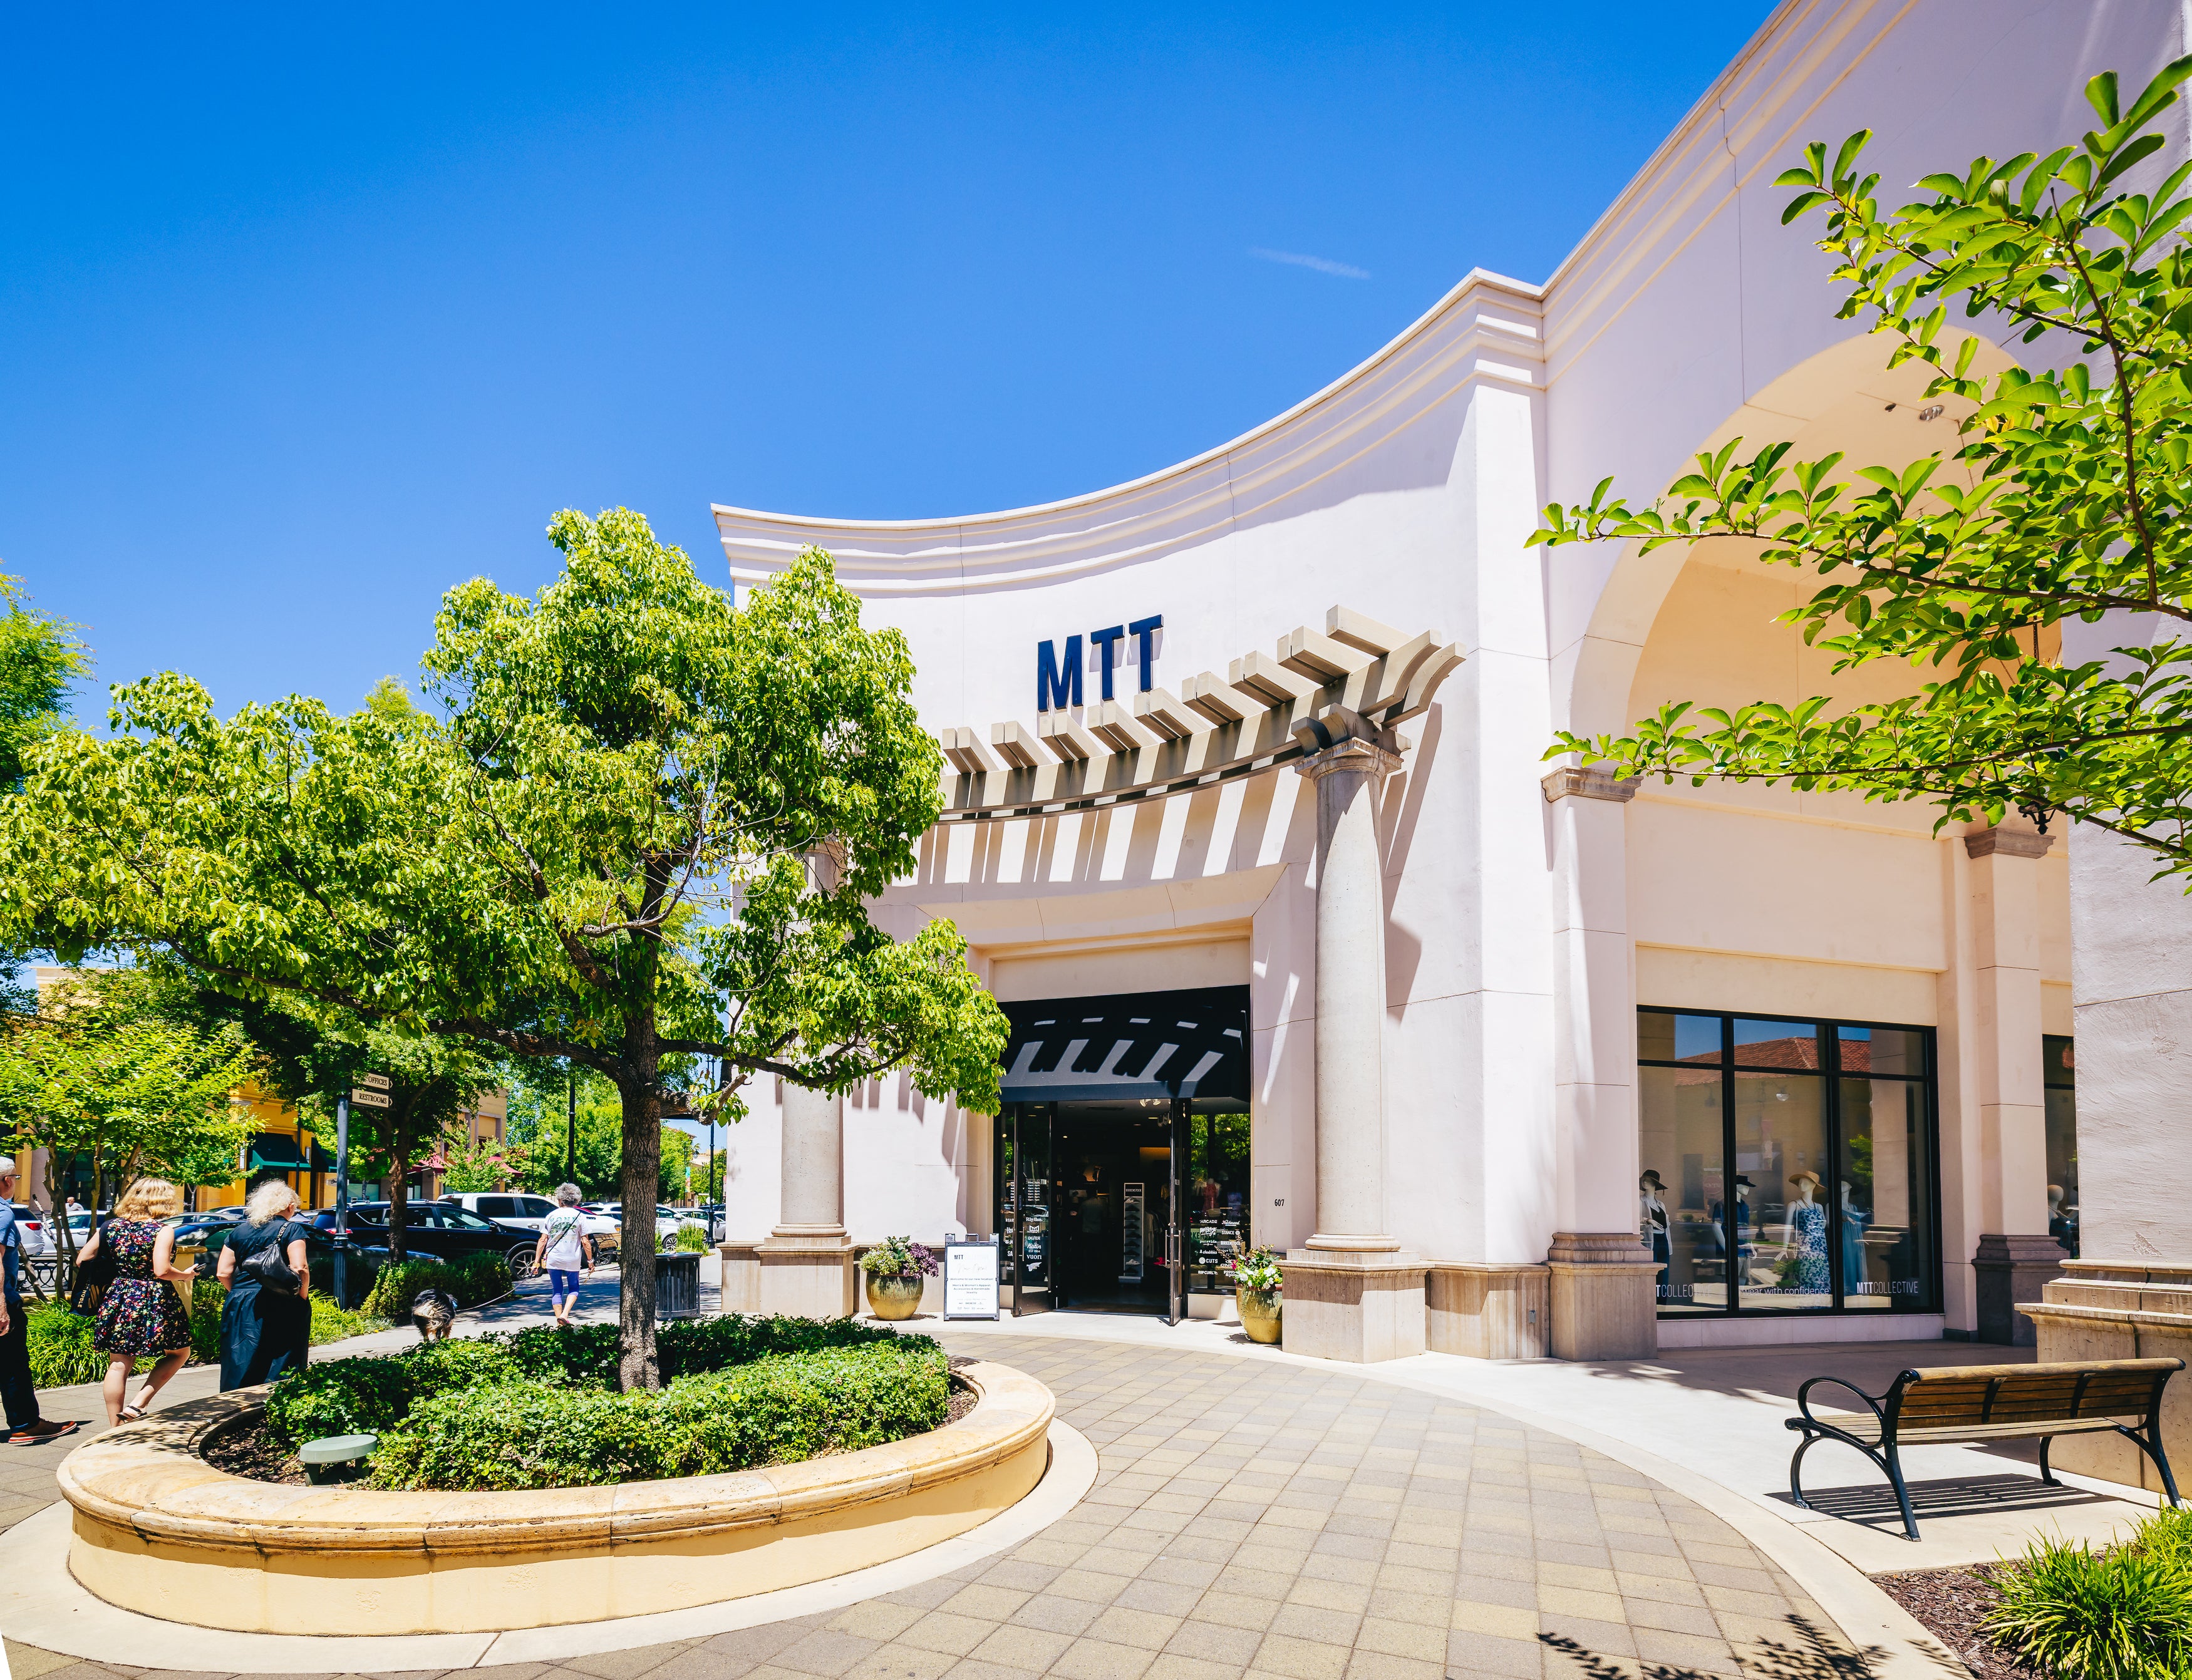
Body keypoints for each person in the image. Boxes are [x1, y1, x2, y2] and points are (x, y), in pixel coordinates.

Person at [80, 1177, 192, 1426]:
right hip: (154, 1298)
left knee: (119, 1363)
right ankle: (138, 1404)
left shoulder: (111, 1226)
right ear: (163, 1201)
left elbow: (82, 1259)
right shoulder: (161, 1230)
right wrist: (185, 1275)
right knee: (179, 1352)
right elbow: (162, 1270)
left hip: (119, 1295)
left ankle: (114, 1428)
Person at [0, 1158, 78, 1445]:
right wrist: (1, 1307)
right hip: (4, 1300)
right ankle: (26, 1425)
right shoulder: (2, 1213)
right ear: (8, 1181)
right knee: (12, 1365)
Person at [217, 1180, 311, 1390]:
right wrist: (301, 1297)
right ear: (289, 1206)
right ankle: (273, 1404)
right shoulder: (291, 1229)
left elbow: (223, 1272)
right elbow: (300, 1267)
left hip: (240, 1302)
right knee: (281, 1359)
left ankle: (233, 1407)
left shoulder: (238, 1232)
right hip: (282, 1300)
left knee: (240, 1359)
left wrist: (240, 1293)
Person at [533, 1184, 594, 1328]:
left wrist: (536, 1262)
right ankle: (565, 1315)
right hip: (572, 1258)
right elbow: (585, 1241)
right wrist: (590, 1261)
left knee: (557, 1289)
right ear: (576, 1200)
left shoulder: (551, 1215)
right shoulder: (580, 1216)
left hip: (553, 1257)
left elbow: (543, 1240)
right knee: (574, 1288)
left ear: (560, 1199)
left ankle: (560, 1324)